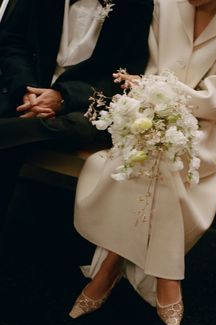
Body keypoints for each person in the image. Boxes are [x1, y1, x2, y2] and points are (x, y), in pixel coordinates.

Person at [69, 0, 216, 325]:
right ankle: (167, 275)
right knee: (155, 155)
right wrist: (157, 103)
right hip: (145, 115)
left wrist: (165, 98)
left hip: (204, 132)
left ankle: (109, 266)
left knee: (160, 158)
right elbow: (148, 69)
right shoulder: (164, 4)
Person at [0, 0, 153, 231]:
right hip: (26, 90)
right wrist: (26, 90)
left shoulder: (136, 5)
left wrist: (64, 97)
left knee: (77, 127)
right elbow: (11, 41)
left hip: (84, 104)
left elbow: (127, 75)